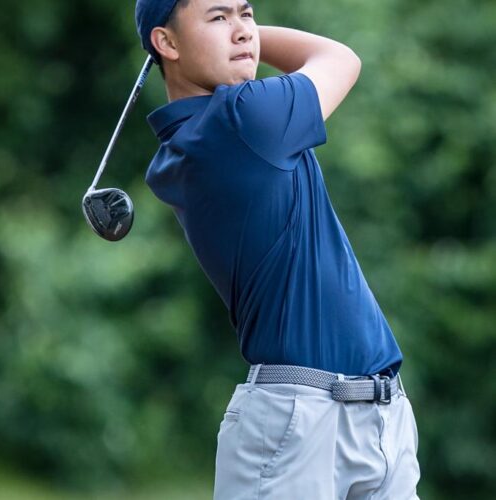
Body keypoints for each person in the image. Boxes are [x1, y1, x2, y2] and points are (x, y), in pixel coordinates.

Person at [135, 0, 421, 498]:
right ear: (166, 43)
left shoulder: (201, 134)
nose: (243, 31)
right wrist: (254, 38)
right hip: (301, 423)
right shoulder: (241, 121)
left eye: (247, 14)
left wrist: (231, 35)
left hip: (376, 415)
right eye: (218, 17)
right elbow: (340, 58)